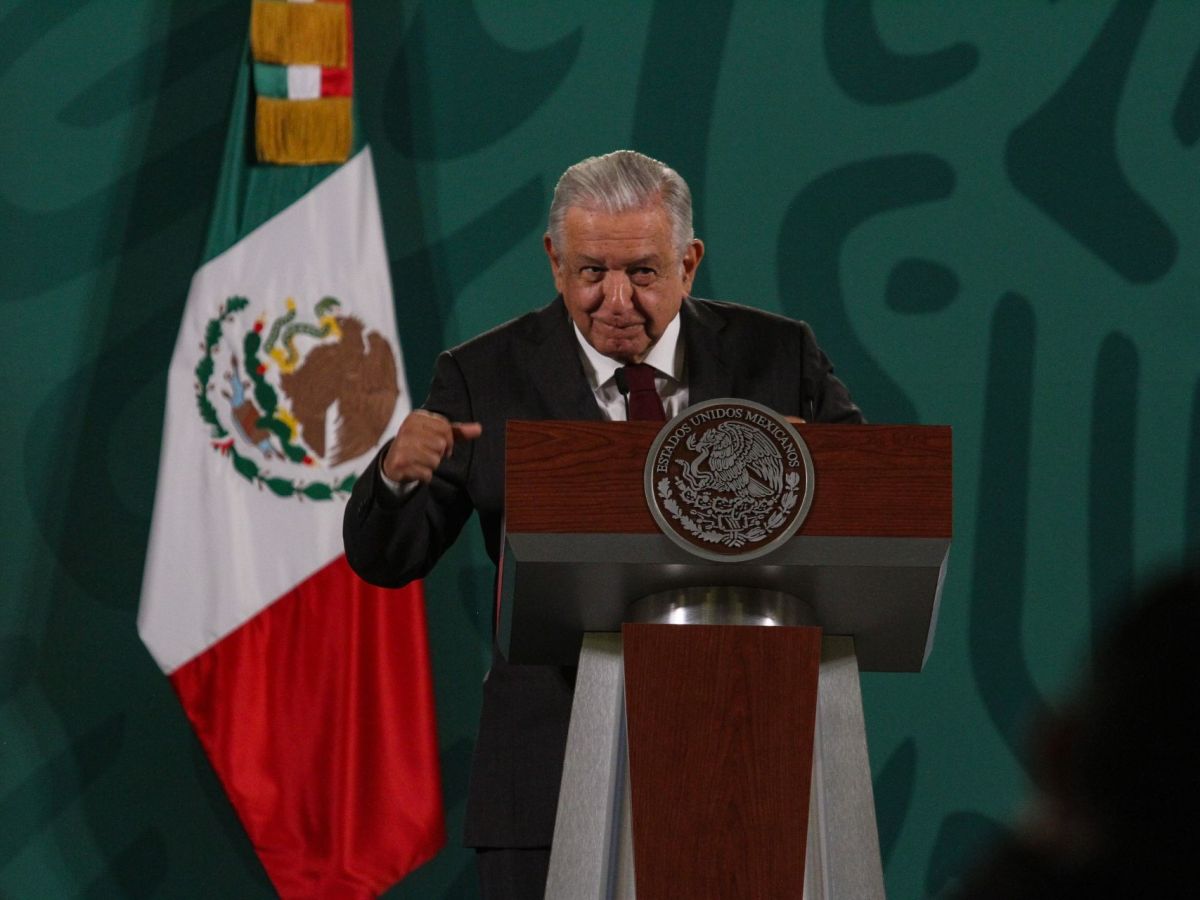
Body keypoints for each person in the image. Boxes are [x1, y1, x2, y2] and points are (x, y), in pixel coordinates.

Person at [343, 150, 863, 898]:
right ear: (554, 261)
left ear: (690, 261)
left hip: (747, 760)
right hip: (550, 774)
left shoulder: (779, 357)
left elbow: (872, 505)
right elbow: (386, 558)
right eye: (591, 272)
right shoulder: (482, 375)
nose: (616, 300)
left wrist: (816, 468)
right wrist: (395, 476)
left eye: (643, 273)